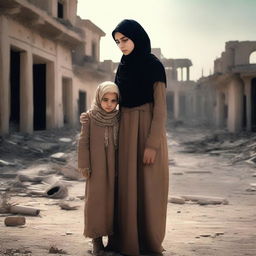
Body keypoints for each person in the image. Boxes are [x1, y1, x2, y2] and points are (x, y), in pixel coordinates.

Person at [111, 19, 169, 256]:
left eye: (125, 39)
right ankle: (128, 243)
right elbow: (113, 103)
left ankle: (150, 243)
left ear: (137, 37)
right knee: (126, 187)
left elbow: (161, 109)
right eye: (117, 42)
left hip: (147, 129)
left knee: (149, 189)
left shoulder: (153, 65)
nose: (121, 45)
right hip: (125, 131)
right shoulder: (122, 67)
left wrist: (152, 145)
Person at [77, 81, 120, 255]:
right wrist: (84, 164)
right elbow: (83, 142)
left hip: (115, 166)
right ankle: (96, 240)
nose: (109, 104)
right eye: (105, 100)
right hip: (96, 167)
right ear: (98, 98)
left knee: (113, 202)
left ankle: (112, 240)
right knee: (96, 202)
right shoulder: (90, 117)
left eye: (113, 100)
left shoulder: (120, 117)